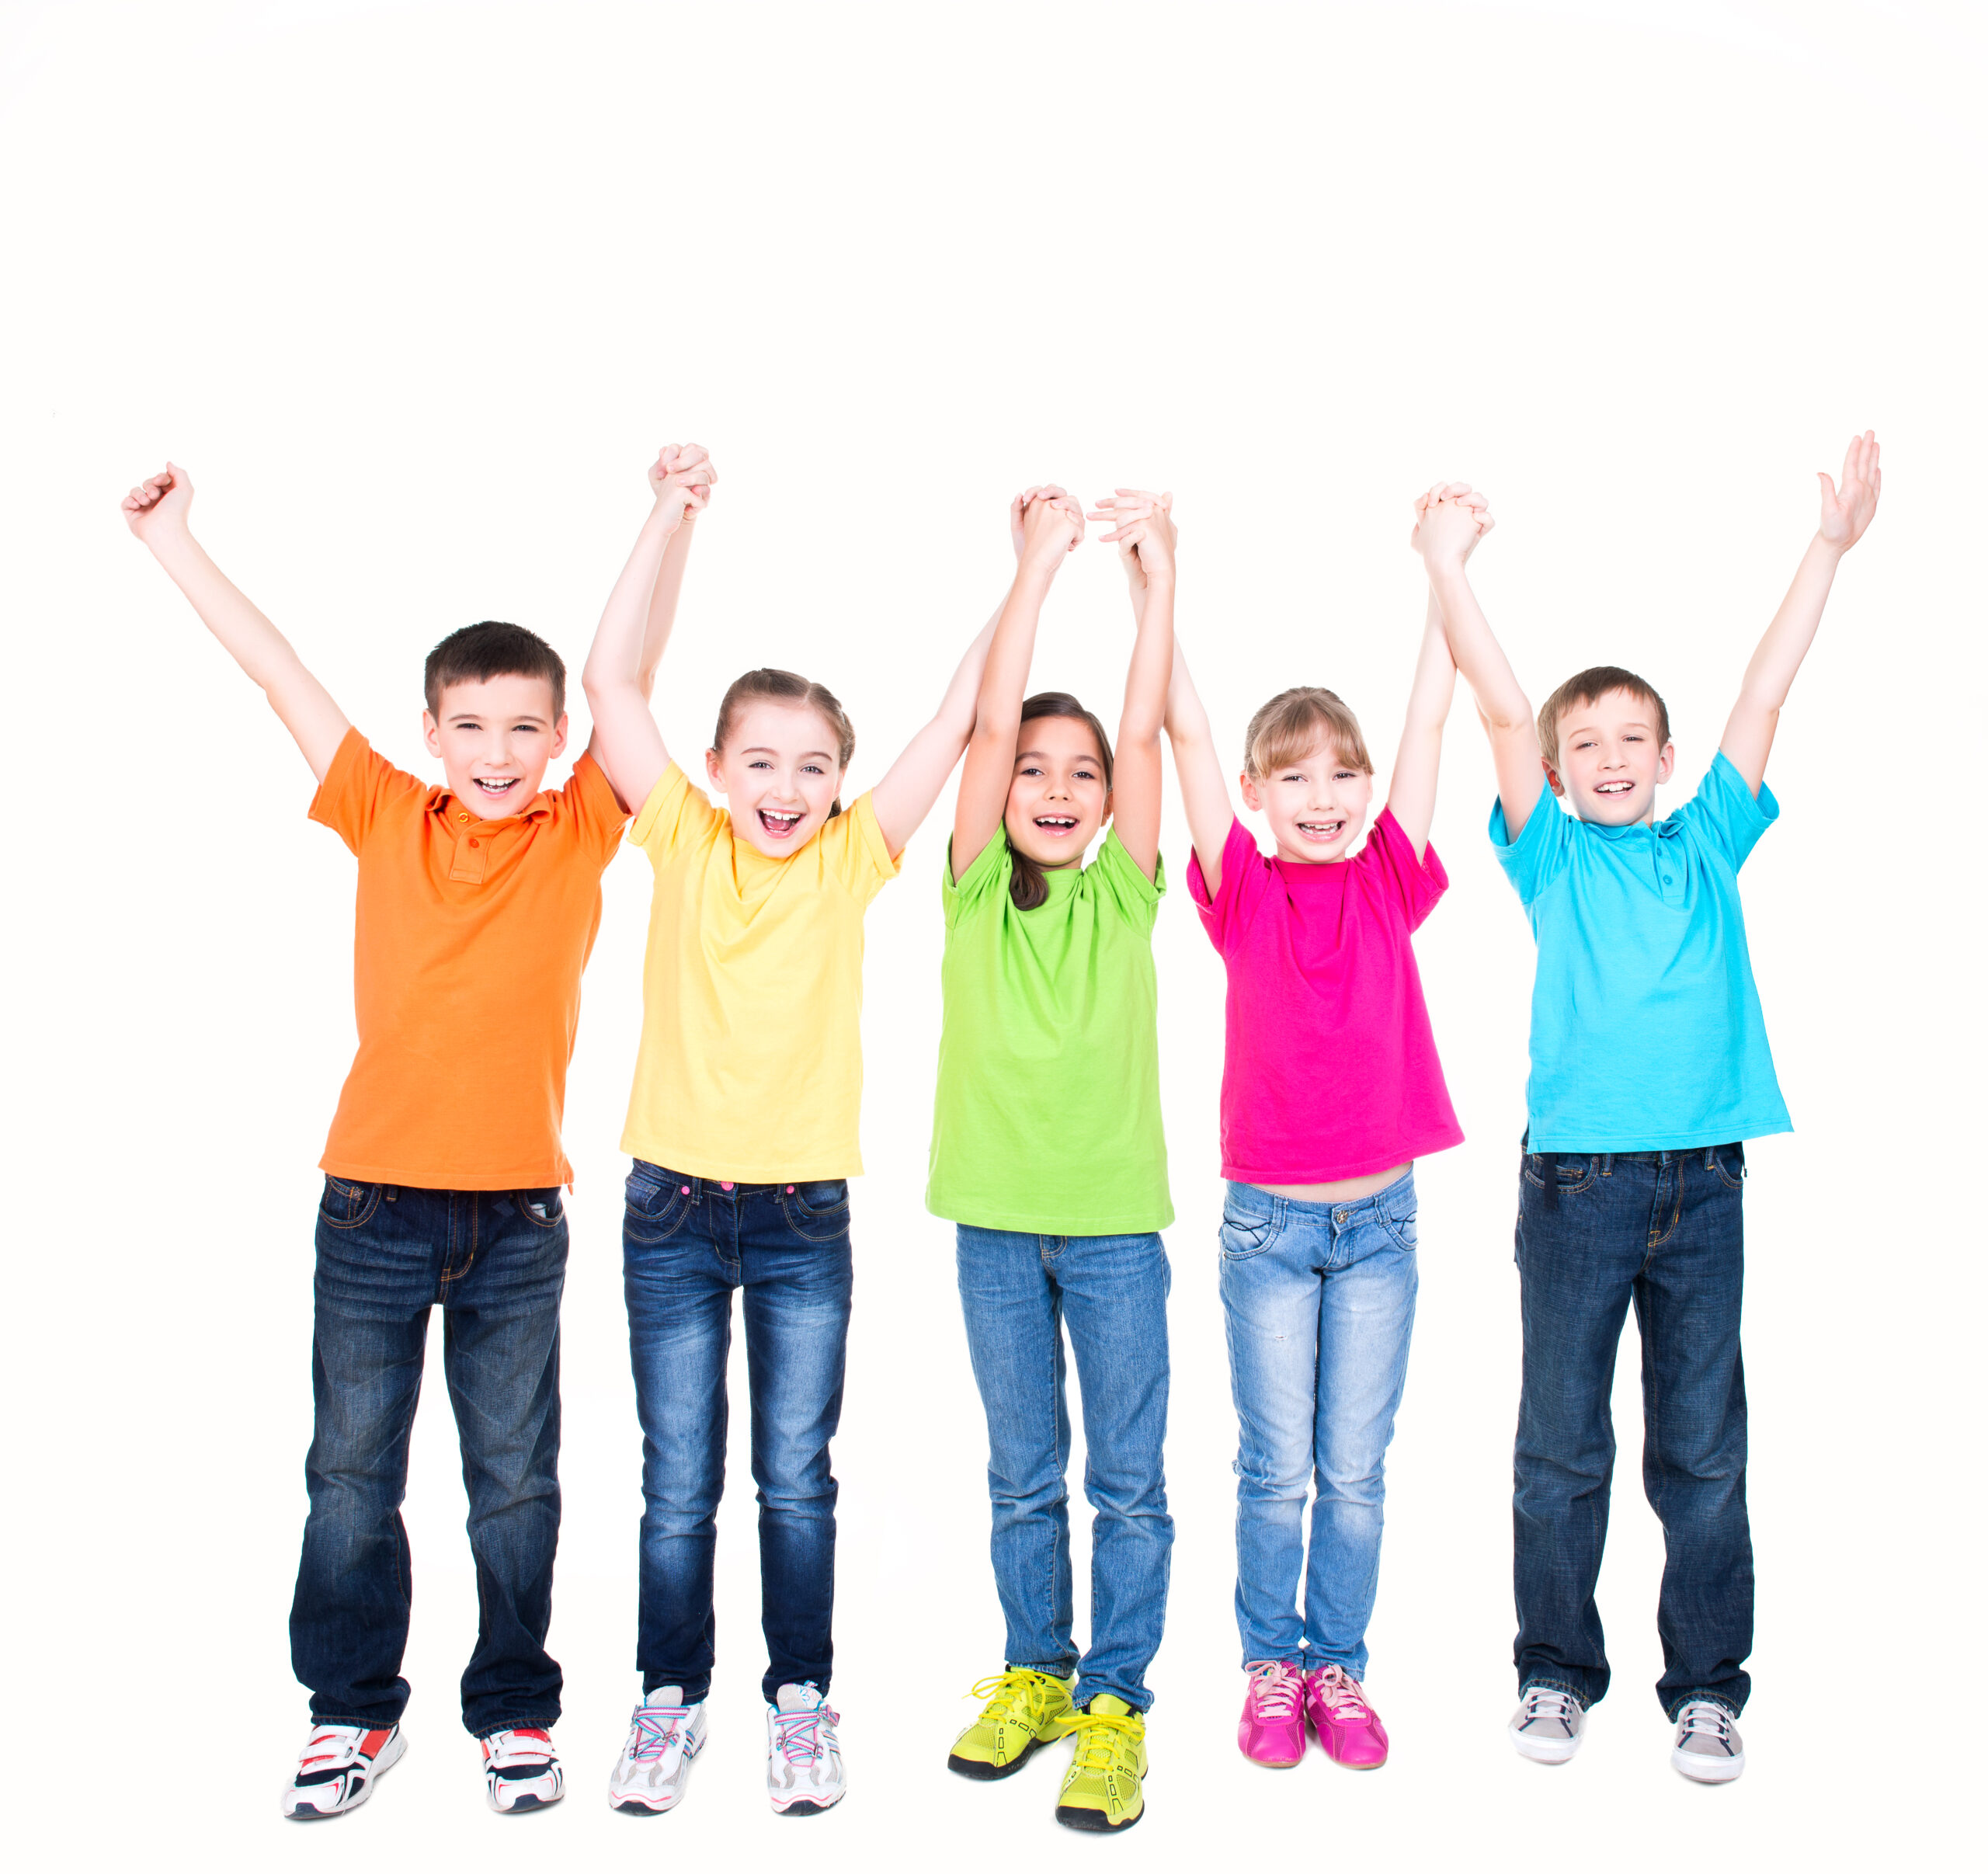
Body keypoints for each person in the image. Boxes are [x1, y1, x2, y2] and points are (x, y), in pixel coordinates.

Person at [121, 455, 666, 1819]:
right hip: (369, 1209)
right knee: (352, 1475)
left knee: (511, 1483)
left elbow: (630, 679)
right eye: (472, 725)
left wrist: (672, 515)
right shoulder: (378, 805)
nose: (497, 752)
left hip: (518, 1223)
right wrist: (171, 541)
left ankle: (513, 1708)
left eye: (522, 729)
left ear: (555, 742)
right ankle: (352, 1711)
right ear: (431, 730)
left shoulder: (580, 826)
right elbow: (277, 668)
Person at [1423, 434, 1882, 1784]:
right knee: (1561, 1439)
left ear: (1669, 757)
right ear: (1558, 774)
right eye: (1587, 744)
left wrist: (1829, 548)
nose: (1609, 756)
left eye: (1633, 738)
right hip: (1575, 1187)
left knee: (1702, 1445)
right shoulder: (1551, 855)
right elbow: (1502, 713)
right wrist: (1450, 571)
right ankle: (1555, 1671)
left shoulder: (1708, 841)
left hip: (1705, 1186)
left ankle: (1707, 1687)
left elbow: (1765, 688)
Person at [580, 449, 1016, 1818]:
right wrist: (670, 512)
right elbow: (610, 687)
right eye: (758, 761)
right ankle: (667, 1699)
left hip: (800, 1219)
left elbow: (956, 723)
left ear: (839, 783)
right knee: (676, 1480)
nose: (785, 784)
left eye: (813, 765)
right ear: (714, 769)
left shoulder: (851, 860)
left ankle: (801, 1700)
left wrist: (1031, 570)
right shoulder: (685, 839)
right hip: (669, 1210)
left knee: (793, 1479)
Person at [1160, 485, 1486, 1771]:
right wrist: (1157, 577)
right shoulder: (1238, 889)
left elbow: (1428, 716)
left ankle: (1338, 1666)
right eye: (1296, 777)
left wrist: (1438, 569)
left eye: (1342, 775)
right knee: (1274, 1464)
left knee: (1355, 1464)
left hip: (1385, 1222)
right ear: (1255, 793)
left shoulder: (1389, 879)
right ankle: (1268, 1663)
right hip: (1269, 1225)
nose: (1328, 793)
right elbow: (1182, 731)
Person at [934, 484, 1173, 1834]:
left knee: (1127, 1479)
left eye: (1081, 773)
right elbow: (985, 716)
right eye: (1039, 767)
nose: (1064, 787)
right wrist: (1031, 564)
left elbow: (1141, 727)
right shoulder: (971, 889)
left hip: (1113, 1231)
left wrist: (1155, 574)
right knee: (1024, 1473)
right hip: (992, 1227)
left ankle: (1117, 1706)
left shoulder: (1129, 888)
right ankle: (1036, 1671)